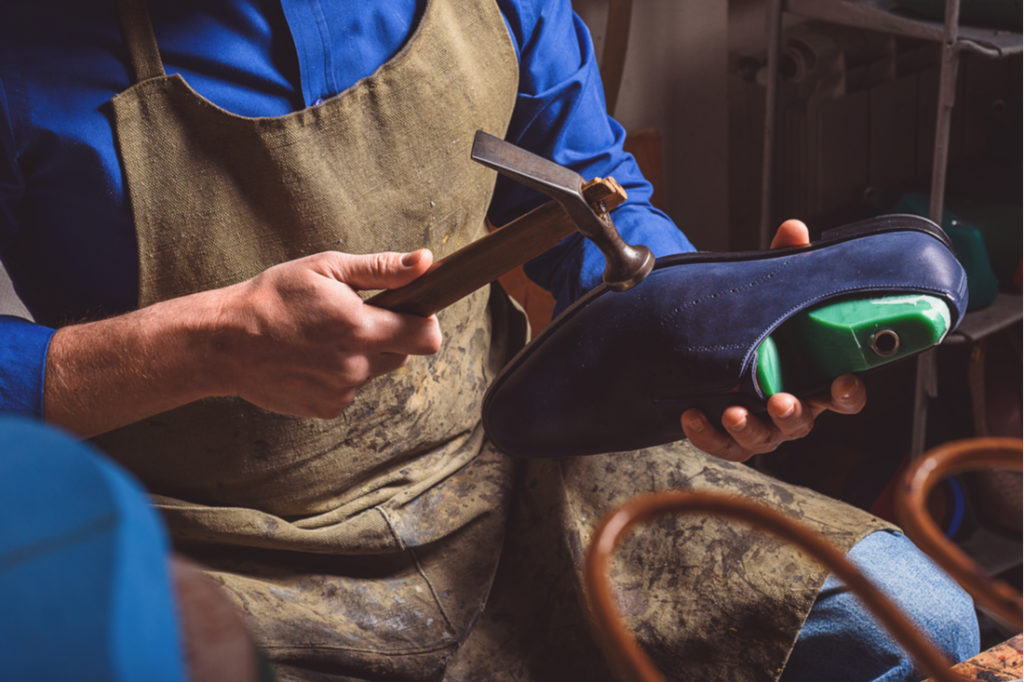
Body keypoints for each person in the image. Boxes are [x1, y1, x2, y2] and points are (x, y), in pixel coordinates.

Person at [0, 1, 978, 680]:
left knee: (915, 619)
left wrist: (706, 330)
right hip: (220, 551)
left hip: (506, 472)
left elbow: (598, 201)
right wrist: (206, 345)